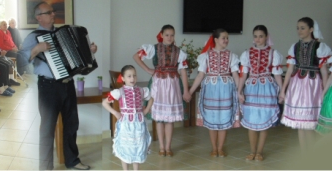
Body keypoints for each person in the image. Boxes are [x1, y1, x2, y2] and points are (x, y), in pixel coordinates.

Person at [19, 2, 97, 170]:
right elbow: (20, 60)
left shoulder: (63, 33)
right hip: (48, 87)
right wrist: (36, 49)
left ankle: (72, 161)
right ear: (39, 17)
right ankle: (45, 167)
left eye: (53, 12)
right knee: (47, 128)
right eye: (49, 12)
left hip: (68, 85)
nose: (53, 14)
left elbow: (78, 61)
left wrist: (89, 51)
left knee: (71, 124)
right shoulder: (34, 37)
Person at [132, 24, 190, 157]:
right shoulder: (153, 48)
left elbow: (183, 71)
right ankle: (162, 147)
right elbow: (136, 56)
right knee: (159, 118)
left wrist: (186, 90)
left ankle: (168, 147)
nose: (170, 37)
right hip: (158, 84)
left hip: (173, 85)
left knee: (169, 118)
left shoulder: (179, 52)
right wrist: (148, 70)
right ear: (162, 35)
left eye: (172, 35)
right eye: (167, 35)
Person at [279, 17, 332, 151]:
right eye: (298, 28)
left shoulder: (320, 47)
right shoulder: (295, 46)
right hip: (297, 85)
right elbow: (290, 69)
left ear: (311, 29)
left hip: (312, 86)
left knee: (310, 123)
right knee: (300, 123)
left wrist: (325, 91)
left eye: (302, 28)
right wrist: (283, 90)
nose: (299, 31)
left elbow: (324, 72)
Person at [189, 28, 240, 158]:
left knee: (224, 118)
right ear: (216, 39)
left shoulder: (232, 56)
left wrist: (240, 91)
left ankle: (220, 148)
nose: (226, 40)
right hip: (210, 89)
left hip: (226, 90)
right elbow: (201, 75)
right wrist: (190, 91)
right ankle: (214, 148)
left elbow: (235, 75)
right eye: (223, 38)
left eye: (227, 38)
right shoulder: (205, 56)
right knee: (212, 119)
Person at [238, 25, 284, 161]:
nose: (258, 39)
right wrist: (239, 91)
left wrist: (281, 90)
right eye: (255, 36)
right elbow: (243, 73)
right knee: (251, 120)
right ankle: (252, 151)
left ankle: (260, 152)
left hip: (266, 88)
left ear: (266, 37)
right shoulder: (247, 53)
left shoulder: (273, 53)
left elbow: (277, 74)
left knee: (264, 119)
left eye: (261, 36)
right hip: (251, 88)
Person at [102, 65, 153, 171]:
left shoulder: (142, 90)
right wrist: (115, 113)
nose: (132, 78)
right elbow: (104, 102)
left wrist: (147, 109)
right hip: (126, 124)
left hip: (139, 124)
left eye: (134, 76)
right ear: (123, 78)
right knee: (126, 147)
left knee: (138, 146)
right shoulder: (119, 92)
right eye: (129, 76)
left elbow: (151, 99)